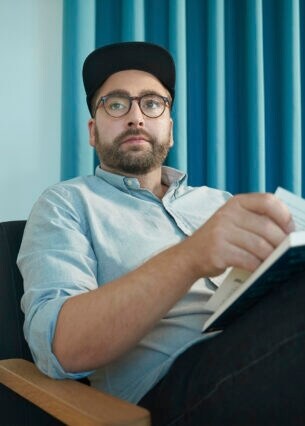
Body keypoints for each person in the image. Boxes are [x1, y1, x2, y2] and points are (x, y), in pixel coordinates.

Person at [18, 42, 305, 425]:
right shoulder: (65, 204)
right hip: (167, 391)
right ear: (92, 131)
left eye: (152, 103)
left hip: (266, 342)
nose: (136, 117)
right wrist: (191, 256)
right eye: (116, 104)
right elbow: (60, 348)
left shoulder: (219, 201)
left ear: (169, 129)